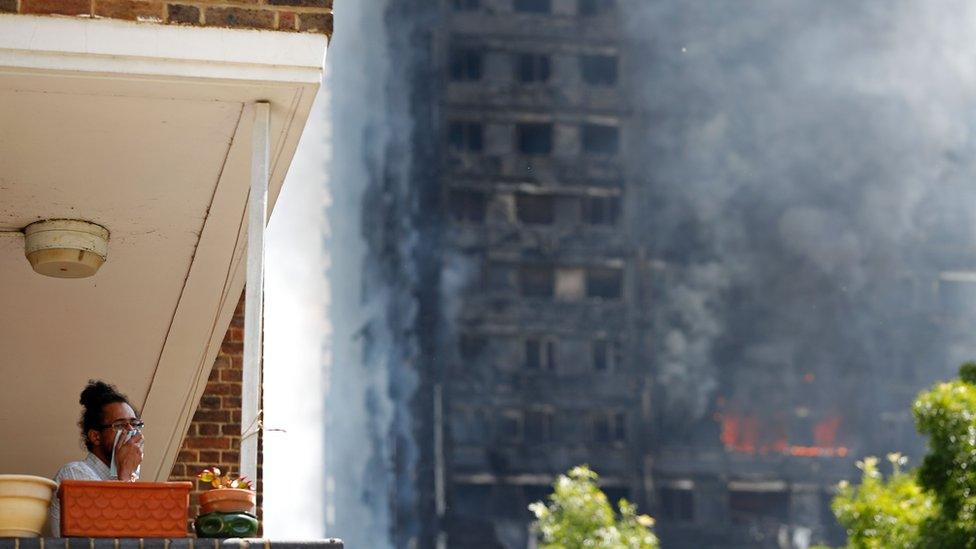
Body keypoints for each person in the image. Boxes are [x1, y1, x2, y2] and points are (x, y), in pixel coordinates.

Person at [49, 380, 145, 537]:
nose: (131, 431)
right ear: (95, 436)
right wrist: (125, 476)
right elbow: (112, 538)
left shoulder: (127, 478)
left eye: (134, 424)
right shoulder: (74, 475)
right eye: (120, 426)